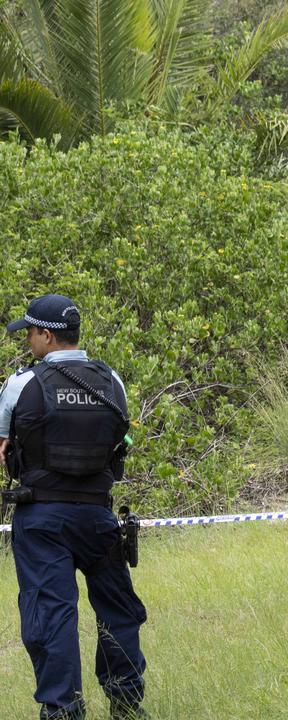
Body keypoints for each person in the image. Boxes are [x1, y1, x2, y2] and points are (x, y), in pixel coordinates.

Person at [0, 294, 147, 720]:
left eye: (29, 333)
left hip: (41, 517)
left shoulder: (21, 384)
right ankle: (127, 704)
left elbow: (4, 447)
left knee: (52, 615)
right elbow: (120, 444)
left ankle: (63, 710)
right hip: (99, 517)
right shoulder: (111, 380)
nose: (28, 341)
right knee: (118, 610)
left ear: (47, 335)